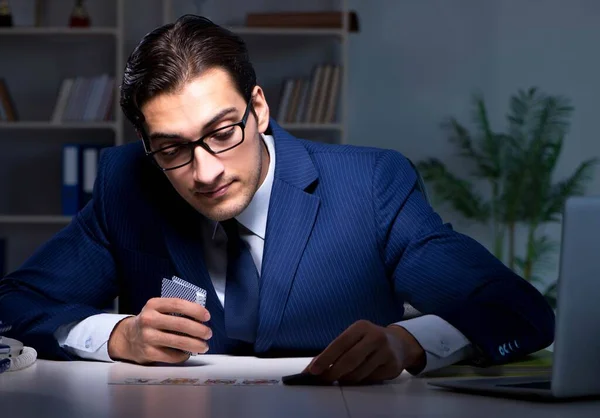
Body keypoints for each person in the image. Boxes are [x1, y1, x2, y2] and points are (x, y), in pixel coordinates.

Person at [0, 15, 554, 384]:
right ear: (147, 145)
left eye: (223, 132)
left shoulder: (371, 186)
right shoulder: (127, 182)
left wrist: (409, 343)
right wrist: (119, 335)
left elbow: (517, 308)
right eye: (172, 148)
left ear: (259, 109)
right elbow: (16, 304)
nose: (205, 171)